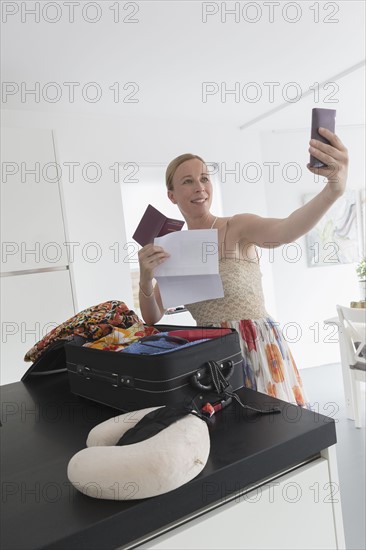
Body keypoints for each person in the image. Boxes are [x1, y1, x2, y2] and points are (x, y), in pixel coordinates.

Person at [138, 128, 349, 406]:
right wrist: (146, 277)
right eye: (187, 181)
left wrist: (333, 191)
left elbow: (286, 230)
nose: (199, 187)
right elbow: (152, 316)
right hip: (210, 358)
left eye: (204, 178)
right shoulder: (173, 249)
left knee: (274, 431)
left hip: (258, 347)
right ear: (172, 195)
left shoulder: (237, 227)